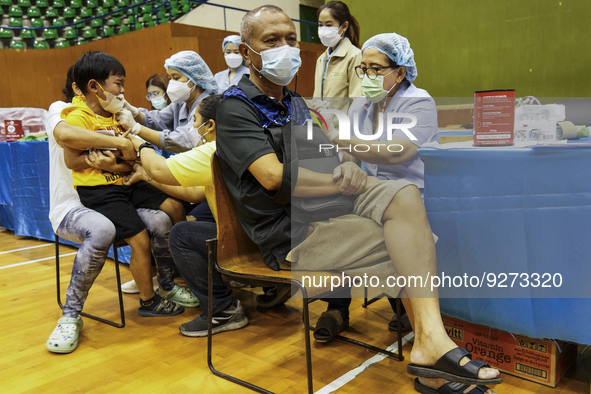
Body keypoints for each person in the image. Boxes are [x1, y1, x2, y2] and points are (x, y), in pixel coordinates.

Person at [218, 6, 502, 394]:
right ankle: (432, 353)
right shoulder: (235, 106)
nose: (284, 47)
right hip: (290, 232)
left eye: (289, 39)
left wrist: (348, 164)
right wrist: (343, 179)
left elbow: (336, 151)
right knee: (412, 243)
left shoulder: (297, 104)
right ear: (246, 51)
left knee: (404, 197)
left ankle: (430, 347)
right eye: (271, 40)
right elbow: (271, 176)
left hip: (332, 210)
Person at [46, 66, 187, 354]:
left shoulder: (114, 113)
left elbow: (132, 159)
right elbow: (70, 148)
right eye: (117, 85)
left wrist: (118, 156)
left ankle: (167, 282)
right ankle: (71, 315)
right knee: (110, 231)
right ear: (88, 87)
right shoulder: (65, 110)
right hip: (83, 200)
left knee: (165, 215)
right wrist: (119, 144)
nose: (122, 92)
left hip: (122, 185)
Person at [315, 32, 441, 338]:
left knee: (376, 234)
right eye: (364, 68)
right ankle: (336, 307)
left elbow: (396, 153)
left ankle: (409, 308)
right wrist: (346, 163)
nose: (368, 75)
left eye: (377, 69)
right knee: (331, 222)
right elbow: (352, 154)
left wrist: (337, 137)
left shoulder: (419, 103)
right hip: (369, 193)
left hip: (410, 196)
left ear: (400, 71)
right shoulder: (362, 106)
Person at [120, 50, 218, 153]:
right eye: (170, 78)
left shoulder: (207, 105)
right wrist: (133, 112)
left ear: (194, 78)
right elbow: (158, 119)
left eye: (176, 78)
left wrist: (136, 128)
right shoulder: (181, 103)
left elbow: (185, 140)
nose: (171, 83)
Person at [313, 1, 362, 100]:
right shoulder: (321, 60)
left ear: (344, 26)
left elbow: (357, 100)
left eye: (329, 25)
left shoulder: (355, 56)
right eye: (320, 25)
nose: (323, 30)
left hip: (342, 116)